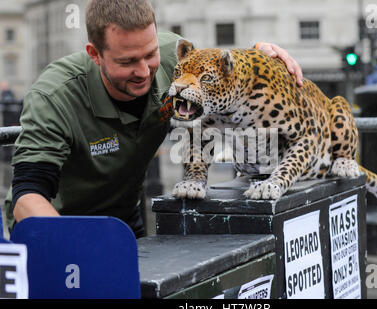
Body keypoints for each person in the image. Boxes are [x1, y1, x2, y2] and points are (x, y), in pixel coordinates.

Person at [3, 0, 303, 238]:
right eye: (127, 61)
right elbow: (28, 195)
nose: (145, 71)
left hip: (123, 217)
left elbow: (224, 75)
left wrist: (261, 56)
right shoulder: (54, 96)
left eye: (150, 54)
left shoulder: (177, 62)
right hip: (55, 225)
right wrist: (78, 248)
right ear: (94, 54)